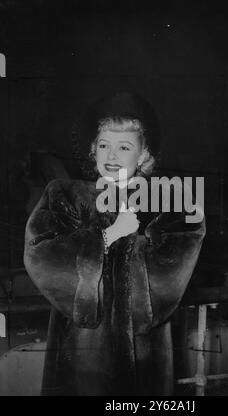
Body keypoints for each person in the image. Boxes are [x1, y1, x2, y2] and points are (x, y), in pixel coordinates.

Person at [24, 92, 206, 396]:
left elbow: (171, 276)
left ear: (144, 154)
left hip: (146, 349)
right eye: (104, 145)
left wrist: (121, 252)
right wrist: (109, 237)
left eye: (124, 147)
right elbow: (41, 254)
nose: (111, 156)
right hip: (82, 348)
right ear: (93, 150)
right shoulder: (64, 195)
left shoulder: (172, 202)